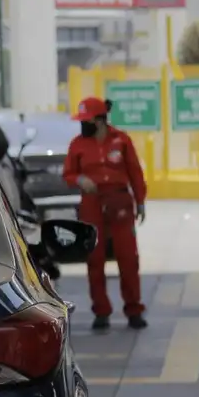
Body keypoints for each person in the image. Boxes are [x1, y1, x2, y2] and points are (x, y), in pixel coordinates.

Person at [64, 96, 147, 330]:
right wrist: (80, 179)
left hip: (120, 202)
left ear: (100, 120)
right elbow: (68, 174)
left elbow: (135, 172)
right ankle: (101, 311)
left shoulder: (121, 140)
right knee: (95, 258)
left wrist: (140, 201)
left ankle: (134, 310)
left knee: (128, 258)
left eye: (86, 120)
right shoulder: (77, 145)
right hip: (92, 203)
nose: (83, 125)